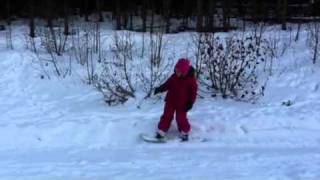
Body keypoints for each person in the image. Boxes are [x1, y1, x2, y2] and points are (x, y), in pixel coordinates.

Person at [154, 58, 198, 141]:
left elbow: (193, 93)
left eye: (179, 71)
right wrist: (160, 89)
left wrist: (190, 103)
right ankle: (162, 131)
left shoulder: (191, 81)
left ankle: (184, 131)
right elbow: (167, 85)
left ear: (184, 72)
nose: (176, 72)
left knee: (181, 118)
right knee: (167, 115)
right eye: (176, 70)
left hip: (183, 104)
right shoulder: (174, 77)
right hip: (170, 101)